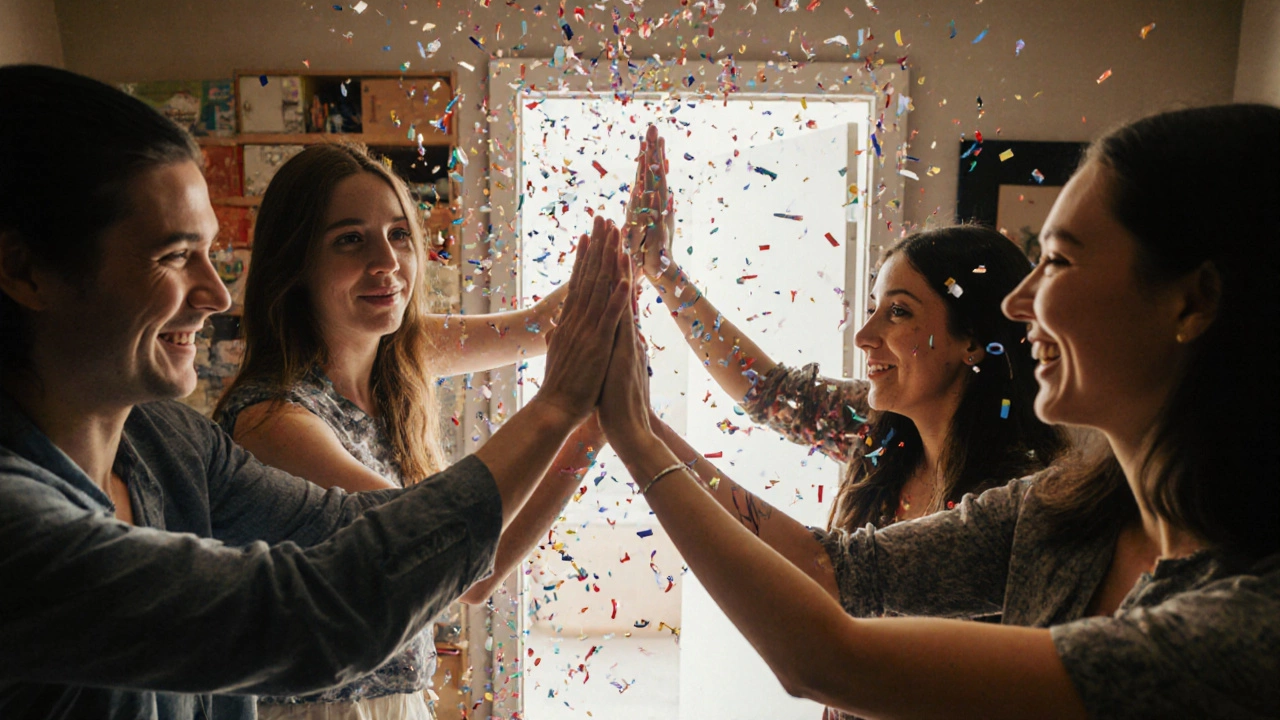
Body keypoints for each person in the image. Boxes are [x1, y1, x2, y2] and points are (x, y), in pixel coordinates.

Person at [595, 104, 1280, 718]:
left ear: (1191, 302)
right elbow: (827, 565)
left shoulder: (1246, 626)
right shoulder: (1051, 506)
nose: (1023, 303)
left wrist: (634, 431)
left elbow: (830, 657)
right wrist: (656, 305)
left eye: (1060, 261)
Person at [0, 64, 630, 720]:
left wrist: (607, 326)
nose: (216, 296)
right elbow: (316, 614)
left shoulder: (171, 441)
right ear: (25, 271)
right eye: (173, 256)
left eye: (211, 254)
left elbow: (374, 534)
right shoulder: (17, 527)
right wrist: (560, 409)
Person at [212, 143, 599, 720]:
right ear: (295, 263)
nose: (387, 264)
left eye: (398, 235)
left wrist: (635, 256)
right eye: (350, 239)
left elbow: (544, 326)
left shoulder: (398, 357)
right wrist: (584, 431)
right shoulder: (272, 422)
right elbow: (461, 567)